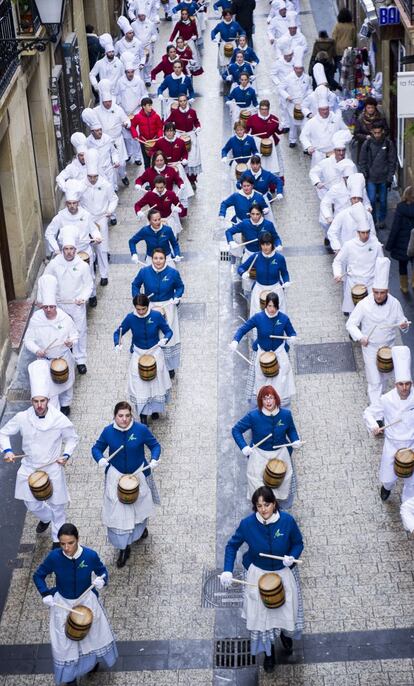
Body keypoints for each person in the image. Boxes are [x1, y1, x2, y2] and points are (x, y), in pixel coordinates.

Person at [220, 486, 304, 672]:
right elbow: (231, 546)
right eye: (259, 506)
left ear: (274, 504)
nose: (263, 509)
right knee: (262, 618)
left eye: (267, 504)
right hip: (258, 574)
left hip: (282, 572)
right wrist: (227, 570)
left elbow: (298, 542)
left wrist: (292, 556)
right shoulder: (247, 524)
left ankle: (284, 633)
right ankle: (269, 654)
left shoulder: (288, 521)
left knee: (284, 607)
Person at [0, 363, 78, 546]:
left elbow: (73, 438)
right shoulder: (22, 418)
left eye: (43, 401)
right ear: (31, 402)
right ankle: (46, 517)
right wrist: (8, 450)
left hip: (52, 466)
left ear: (48, 400)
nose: (40, 405)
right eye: (36, 401)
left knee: (58, 507)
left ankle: (56, 541)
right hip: (29, 467)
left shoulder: (59, 419)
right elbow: (3, 432)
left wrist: (66, 455)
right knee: (31, 503)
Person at [33, 522, 117, 684]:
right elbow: (38, 575)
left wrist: (102, 580)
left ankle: (91, 664)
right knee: (64, 644)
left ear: (78, 539)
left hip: (87, 602)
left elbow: (102, 571)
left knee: (92, 636)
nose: (66, 548)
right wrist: (45, 593)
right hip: (62, 602)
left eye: (70, 543)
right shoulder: (54, 557)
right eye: (63, 544)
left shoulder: (90, 555)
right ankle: (70, 678)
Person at [92, 401, 161, 567]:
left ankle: (140, 528)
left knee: (140, 506)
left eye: (127, 416)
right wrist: (100, 459)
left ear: (132, 416)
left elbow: (155, 445)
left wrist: (154, 460)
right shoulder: (108, 432)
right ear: (114, 416)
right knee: (119, 511)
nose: (124, 419)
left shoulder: (141, 430)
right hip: (116, 475)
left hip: (138, 473)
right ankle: (124, 547)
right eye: (120, 416)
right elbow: (96, 448)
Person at [347, 257, 409, 412]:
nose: (379, 296)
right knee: (374, 382)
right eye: (376, 293)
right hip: (370, 348)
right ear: (372, 291)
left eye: (382, 293)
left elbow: (403, 322)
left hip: (389, 348)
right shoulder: (364, 304)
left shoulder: (394, 303)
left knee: (391, 380)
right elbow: (350, 324)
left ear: (387, 291)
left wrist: (404, 325)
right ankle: (377, 414)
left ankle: (389, 407)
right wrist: (361, 337)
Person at [232, 387, 301, 507]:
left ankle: (278, 505)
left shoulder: (286, 414)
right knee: (257, 484)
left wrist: (295, 440)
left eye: (271, 398)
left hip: (280, 454)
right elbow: (236, 430)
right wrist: (244, 447)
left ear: (276, 399)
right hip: (259, 454)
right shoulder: (253, 416)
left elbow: (291, 430)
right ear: (261, 400)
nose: (268, 402)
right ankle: (262, 507)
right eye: (265, 398)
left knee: (282, 481)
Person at [364, 346, 414, 503]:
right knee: (388, 477)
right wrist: (373, 426)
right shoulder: (386, 399)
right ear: (395, 384)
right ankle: (387, 487)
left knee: (412, 483)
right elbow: (368, 413)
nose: (404, 388)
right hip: (392, 444)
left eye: (407, 384)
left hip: (411, 444)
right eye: (401, 384)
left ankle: (408, 506)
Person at [113, 294, 173, 423]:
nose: (140, 312)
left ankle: (156, 409)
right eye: (138, 309)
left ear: (148, 306)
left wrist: (165, 339)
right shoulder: (130, 318)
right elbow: (118, 332)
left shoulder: (156, 316)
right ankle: (143, 414)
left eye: (143, 309)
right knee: (139, 384)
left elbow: (168, 331)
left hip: (155, 351)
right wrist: (117, 343)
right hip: (139, 353)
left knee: (156, 382)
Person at [230, 292, 296, 407]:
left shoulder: (283, 318)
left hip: (279, 354)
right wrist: (235, 340)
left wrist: (292, 338)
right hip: (262, 354)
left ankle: (280, 406)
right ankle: (262, 405)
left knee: (281, 382)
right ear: (266, 305)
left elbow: (291, 332)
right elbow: (243, 329)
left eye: (274, 306)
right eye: (269, 306)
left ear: (278, 306)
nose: (272, 309)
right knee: (260, 381)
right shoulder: (258, 317)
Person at [24, 275, 79, 414]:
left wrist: (70, 342)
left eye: (51, 307)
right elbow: (28, 340)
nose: (48, 310)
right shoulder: (36, 319)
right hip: (45, 360)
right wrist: (37, 350)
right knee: (49, 388)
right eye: (46, 307)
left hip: (63, 357)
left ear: (55, 306)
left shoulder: (64, 318)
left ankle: (66, 404)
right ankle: (54, 410)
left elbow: (75, 335)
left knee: (67, 384)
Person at [44, 226, 94, 376]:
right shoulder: (54, 264)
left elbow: (89, 285)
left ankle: (80, 360)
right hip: (59, 304)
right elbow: (46, 280)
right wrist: (48, 299)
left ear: (75, 249)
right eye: (66, 249)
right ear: (62, 249)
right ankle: (63, 358)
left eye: (72, 248)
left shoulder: (82, 266)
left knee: (80, 331)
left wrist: (83, 298)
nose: (69, 252)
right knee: (60, 331)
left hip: (76, 304)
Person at [45, 180, 102, 300]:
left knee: (89, 274)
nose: (72, 206)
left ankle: (92, 296)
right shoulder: (60, 217)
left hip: (84, 250)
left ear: (78, 203)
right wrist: (56, 249)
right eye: (69, 203)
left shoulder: (85, 215)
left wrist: (97, 236)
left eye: (74, 203)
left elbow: (93, 229)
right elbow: (49, 233)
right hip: (66, 253)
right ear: (66, 204)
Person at [131, 248, 185, 375]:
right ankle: (150, 362)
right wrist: (138, 298)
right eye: (155, 258)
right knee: (150, 334)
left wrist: (177, 296)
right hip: (150, 306)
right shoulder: (144, 271)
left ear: (165, 259)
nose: (158, 261)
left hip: (168, 306)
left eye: (161, 258)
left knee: (168, 336)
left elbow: (180, 286)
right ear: (152, 259)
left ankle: (169, 366)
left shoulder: (173, 273)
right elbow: (135, 284)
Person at [79, 149, 118, 298]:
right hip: (87, 219)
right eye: (91, 177)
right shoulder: (81, 186)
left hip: (101, 217)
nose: (93, 179)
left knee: (102, 248)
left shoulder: (105, 184)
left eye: (95, 176)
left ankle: (104, 274)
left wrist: (109, 210)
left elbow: (114, 199)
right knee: (88, 247)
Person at [332, 211, 383, 314]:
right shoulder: (349, 245)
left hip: (370, 283)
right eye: (362, 233)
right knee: (355, 314)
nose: (365, 235)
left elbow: (381, 264)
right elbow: (337, 261)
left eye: (367, 232)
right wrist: (337, 274)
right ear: (358, 232)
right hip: (353, 284)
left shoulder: (376, 245)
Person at [238, 233, 290, 316]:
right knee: (257, 315)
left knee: (279, 314)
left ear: (272, 244)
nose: (265, 247)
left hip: (276, 288)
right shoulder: (256, 257)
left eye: (268, 244)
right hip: (259, 289)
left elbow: (284, 273)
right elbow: (241, 268)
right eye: (263, 244)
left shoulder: (279, 258)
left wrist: (287, 281)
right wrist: (243, 273)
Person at [358, 120, 397, 229]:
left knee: (383, 201)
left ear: (382, 131)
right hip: (371, 178)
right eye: (375, 133)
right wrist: (364, 173)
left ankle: (382, 220)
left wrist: (390, 177)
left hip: (384, 178)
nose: (377, 135)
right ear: (372, 132)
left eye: (379, 132)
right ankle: (373, 219)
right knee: (371, 200)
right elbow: (362, 160)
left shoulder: (388, 143)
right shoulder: (367, 144)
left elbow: (392, 161)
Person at [94, 79, 131, 188]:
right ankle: (114, 186)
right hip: (105, 142)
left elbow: (126, 120)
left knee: (122, 163)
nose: (108, 104)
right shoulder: (96, 111)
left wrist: (126, 124)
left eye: (109, 102)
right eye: (106, 102)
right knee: (111, 165)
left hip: (117, 139)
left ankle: (123, 175)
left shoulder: (118, 109)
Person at [299, 87, 347, 167]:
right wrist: (309, 146)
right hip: (318, 155)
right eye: (322, 110)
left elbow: (346, 131)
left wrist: (340, 143)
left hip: (334, 154)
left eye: (326, 109)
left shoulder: (336, 119)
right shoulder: (312, 122)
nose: (325, 112)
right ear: (318, 110)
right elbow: (303, 136)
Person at [115, 53, 147, 166]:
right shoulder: (120, 82)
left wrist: (141, 102)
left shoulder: (139, 81)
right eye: (128, 72)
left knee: (136, 136)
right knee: (126, 136)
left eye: (132, 72)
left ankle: (138, 156)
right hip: (124, 113)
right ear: (125, 72)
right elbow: (117, 95)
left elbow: (144, 94)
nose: (130, 74)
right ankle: (129, 154)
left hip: (136, 112)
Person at [166, 93, 202, 188]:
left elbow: (196, 122)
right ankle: (180, 179)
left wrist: (198, 127)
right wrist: (173, 130)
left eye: (184, 101)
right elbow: (167, 122)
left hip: (191, 135)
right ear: (178, 102)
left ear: (187, 101)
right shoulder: (175, 113)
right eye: (180, 101)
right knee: (180, 158)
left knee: (193, 158)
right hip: (179, 136)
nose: (182, 103)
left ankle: (192, 180)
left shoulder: (192, 112)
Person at [282, 46, 312, 148]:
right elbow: (280, 89)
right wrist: (287, 96)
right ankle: (292, 140)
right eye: (297, 68)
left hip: (303, 105)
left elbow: (309, 89)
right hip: (292, 105)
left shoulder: (307, 78)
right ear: (294, 68)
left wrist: (308, 95)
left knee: (304, 126)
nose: (299, 70)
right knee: (293, 125)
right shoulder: (288, 78)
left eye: (301, 69)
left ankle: (305, 146)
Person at [385, 186, 414, 294]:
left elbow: (395, 227)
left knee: (403, 265)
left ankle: (404, 286)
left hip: (403, 243)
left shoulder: (400, 208)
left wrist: (390, 245)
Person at [245, 101, 284, 178]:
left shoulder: (274, 119)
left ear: (268, 109)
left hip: (271, 143)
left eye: (265, 109)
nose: (263, 111)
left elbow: (279, 132)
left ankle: (275, 183)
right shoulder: (252, 119)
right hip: (257, 143)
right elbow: (246, 131)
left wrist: (281, 127)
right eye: (262, 109)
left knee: (275, 164)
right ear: (259, 109)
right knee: (256, 163)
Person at [130, 97, 164, 169]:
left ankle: (157, 177)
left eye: (151, 105)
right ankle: (148, 177)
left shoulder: (156, 116)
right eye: (149, 105)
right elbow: (132, 126)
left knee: (156, 160)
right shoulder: (138, 117)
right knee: (146, 162)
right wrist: (135, 135)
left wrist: (160, 135)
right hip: (144, 142)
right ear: (143, 106)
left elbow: (160, 127)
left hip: (155, 141)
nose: (151, 107)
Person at [211, 9, 246, 77]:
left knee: (234, 59)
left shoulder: (235, 24)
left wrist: (241, 36)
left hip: (233, 44)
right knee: (224, 61)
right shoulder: (220, 25)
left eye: (230, 15)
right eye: (227, 15)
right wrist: (213, 37)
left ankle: (235, 74)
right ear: (224, 16)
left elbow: (242, 31)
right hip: (223, 44)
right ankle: (225, 76)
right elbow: (213, 31)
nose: (228, 17)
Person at [352, 97, 387, 163]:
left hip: (378, 146)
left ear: (375, 108)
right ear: (365, 108)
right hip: (364, 147)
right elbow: (356, 134)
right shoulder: (360, 118)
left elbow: (386, 130)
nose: (370, 110)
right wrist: (366, 137)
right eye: (368, 108)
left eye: (372, 107)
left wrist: (379, 135)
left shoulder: (380, 117)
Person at [270, 35, 293, 133]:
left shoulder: (295, 61)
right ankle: (285, 124)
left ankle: (293, 123)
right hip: (283, 89)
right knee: (283, 107)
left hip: (293, 87)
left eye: (290, 55)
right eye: (287, 56)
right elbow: (273, 75)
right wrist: (279, 84)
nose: (289, 57)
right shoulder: (278, 63)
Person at [130, 4, 158, 86]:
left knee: (148, 63)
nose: (141, 17)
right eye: (140, 16)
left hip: (147, 46)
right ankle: (140, 79)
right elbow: (132, 35)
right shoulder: (133, 25)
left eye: (143, 15)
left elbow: (154, 34)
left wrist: (153, 38)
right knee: (139, 63)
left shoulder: (150, 24)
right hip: (137, 47)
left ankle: (147, 79)